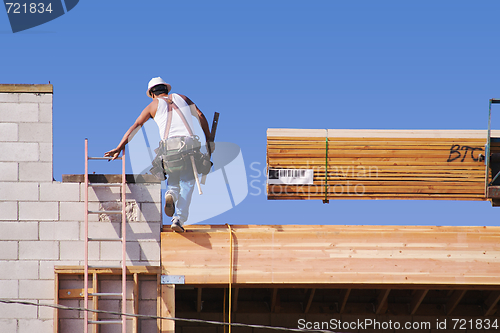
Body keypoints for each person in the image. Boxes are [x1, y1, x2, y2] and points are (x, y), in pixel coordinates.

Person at [105, 77, 212, 232]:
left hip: (169, 149)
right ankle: (179, 219)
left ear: (152, 94)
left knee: (173, 176)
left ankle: (171, 194)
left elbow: (136, 126)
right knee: (188, 183)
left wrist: (119, 147)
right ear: (166, 90)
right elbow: (200, 115)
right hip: (189, 147)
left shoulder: (152, 106)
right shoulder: (183, 98)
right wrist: (208, 139)